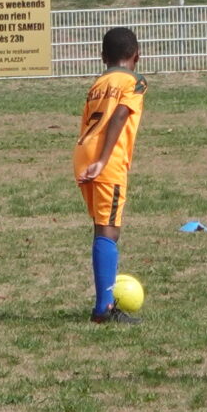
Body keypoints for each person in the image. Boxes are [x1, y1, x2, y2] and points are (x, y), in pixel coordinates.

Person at [75, 27, 146, 323]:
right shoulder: (135, 81)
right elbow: (119, 114)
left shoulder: (98, 83)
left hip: (83, 152)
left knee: (101, 227)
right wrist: (104, 161)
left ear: (103, 57)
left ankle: (103, 302)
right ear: (137, 56)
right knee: (109, 231)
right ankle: (104, 309)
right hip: (107, 158)